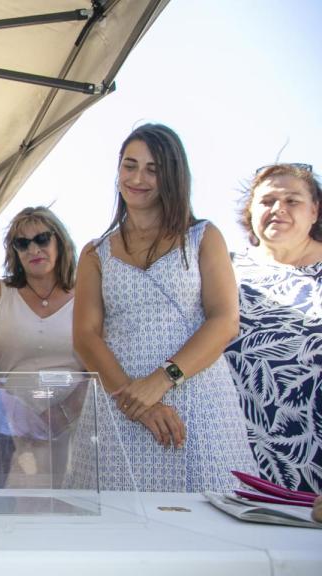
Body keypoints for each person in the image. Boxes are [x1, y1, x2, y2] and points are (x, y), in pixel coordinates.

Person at [69, 123, 254, 492]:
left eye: (152, 169)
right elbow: (85, 337)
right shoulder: (95, 252)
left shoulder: (204, 236)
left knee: (210, 524)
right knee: (118, 528)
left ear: (172, 176)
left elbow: (224, 320)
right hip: (119, 407)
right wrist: (135, 401)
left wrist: (161, 380)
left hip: (198, 404)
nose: (138, 177)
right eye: (129, 165)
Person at [225, 163, 322, 492]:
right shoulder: (221, 269)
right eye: (267, 201)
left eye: (292, 201)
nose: (278, 209)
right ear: (251, 210)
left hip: (313, 460)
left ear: (314, 211)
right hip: (231, 457)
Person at [0, 206, 84, 487]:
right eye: (22, 243)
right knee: (17, 515)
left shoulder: (88, 295)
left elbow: (98, 367)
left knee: (72, 513)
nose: (33, 249)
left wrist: (64, 412)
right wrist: (8, 408)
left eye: (42, 239)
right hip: (9, 426)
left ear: (60, 242)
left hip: (76, 426)